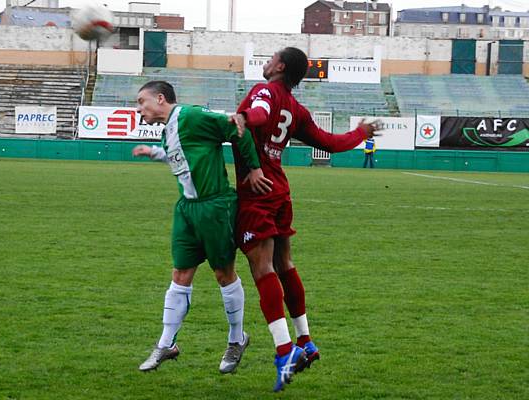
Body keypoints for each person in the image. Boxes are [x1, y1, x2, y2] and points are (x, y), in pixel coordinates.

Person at [229, 47, 380, 392]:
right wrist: (360, 132)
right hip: (280, 191)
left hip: (258, 190)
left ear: (280, 66)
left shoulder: (264, 90)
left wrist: (243, 119)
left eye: (271, 58)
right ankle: (306, 341)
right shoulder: (296, 109)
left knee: (262, 269)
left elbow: (259, 113)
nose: (265, 62)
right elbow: (330, 141)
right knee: (284, 263)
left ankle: (285, 352)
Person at [132, 81, 273, 375]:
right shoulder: (167, 130)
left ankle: (237, 340)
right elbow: (179, 155)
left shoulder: (192, 117)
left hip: (215, 207)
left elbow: (236, 127)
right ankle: (166, 343)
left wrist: (254, 168)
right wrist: (153, 152)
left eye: (141, 101)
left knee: (223, 274)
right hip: (187, 210)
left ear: (160, 99)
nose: (138, 108)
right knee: (180, 274)